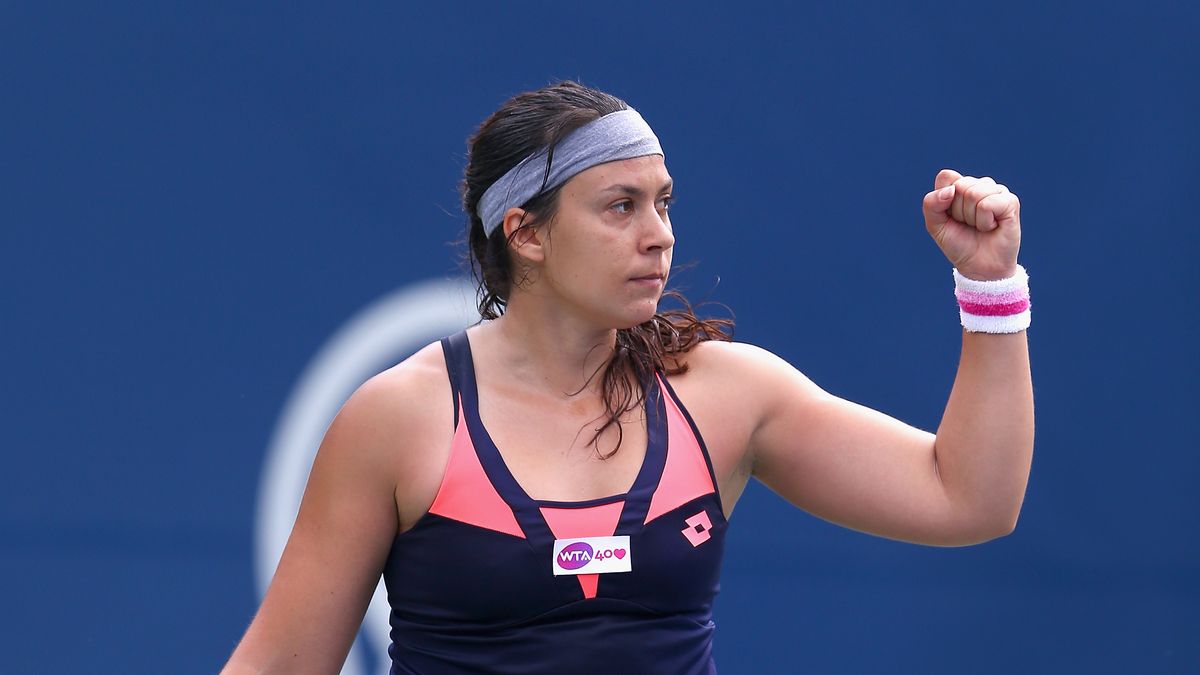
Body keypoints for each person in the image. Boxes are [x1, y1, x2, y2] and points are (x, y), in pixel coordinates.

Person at [222, 80, 1034, 674]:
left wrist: (992, 287)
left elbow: (969, 498)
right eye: (620, 206)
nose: (659, 236)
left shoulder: (726, 397)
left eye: (666, 204)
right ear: (526, 234)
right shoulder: (399, 418)